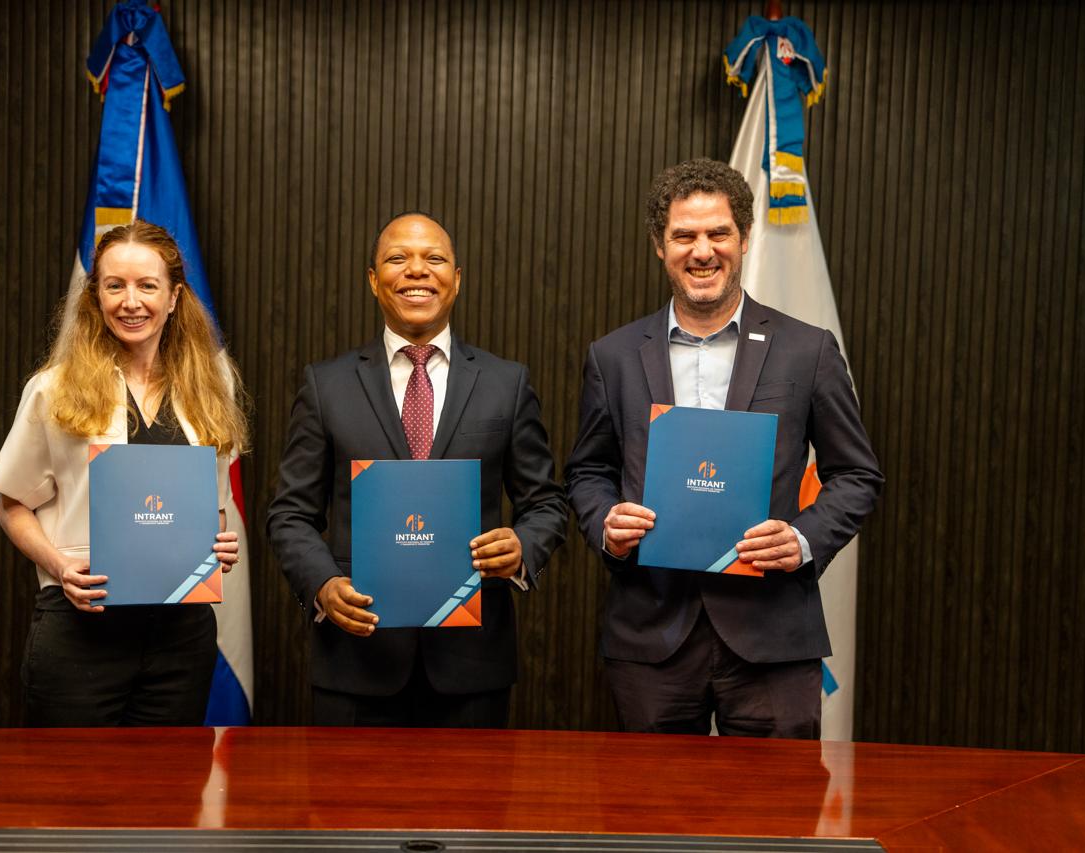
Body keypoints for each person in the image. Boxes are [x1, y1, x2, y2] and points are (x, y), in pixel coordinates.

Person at [564, 159, 883, 738]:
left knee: (773, 823)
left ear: (744, 237)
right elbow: (588, 471)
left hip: (773, 635)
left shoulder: (807, 351)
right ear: (660, 247)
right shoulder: (611, 357)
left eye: (718, 233)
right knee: (653, 823)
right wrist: (605, 522)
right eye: (684, 235)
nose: (702, 250)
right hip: (650, 635)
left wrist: (804, 538)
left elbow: (857, 475)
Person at [267, 211, 566, 728]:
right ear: (372, 280)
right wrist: (321, 584)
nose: (417, 271)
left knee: (469, 812)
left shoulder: (506, 383)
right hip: (356, 659)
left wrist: (523, 548)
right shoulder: (326, 385)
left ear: (457, 277)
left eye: (434, 259)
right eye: (397, 259)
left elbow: (545, 503)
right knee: (351, 812)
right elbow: (290, 513)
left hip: (473, 667)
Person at [0, 219, 249, 727]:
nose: (131, 302)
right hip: (81, 632)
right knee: (75, 801)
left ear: (174, 297)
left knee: (169, 800)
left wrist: (218, 542)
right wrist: (60, 567)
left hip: (182, 637)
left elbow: (212, 507)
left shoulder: (209, 390)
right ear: (96, 296)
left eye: (147, 285)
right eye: (115, 286)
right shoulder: (54, 389)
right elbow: (11, 503)